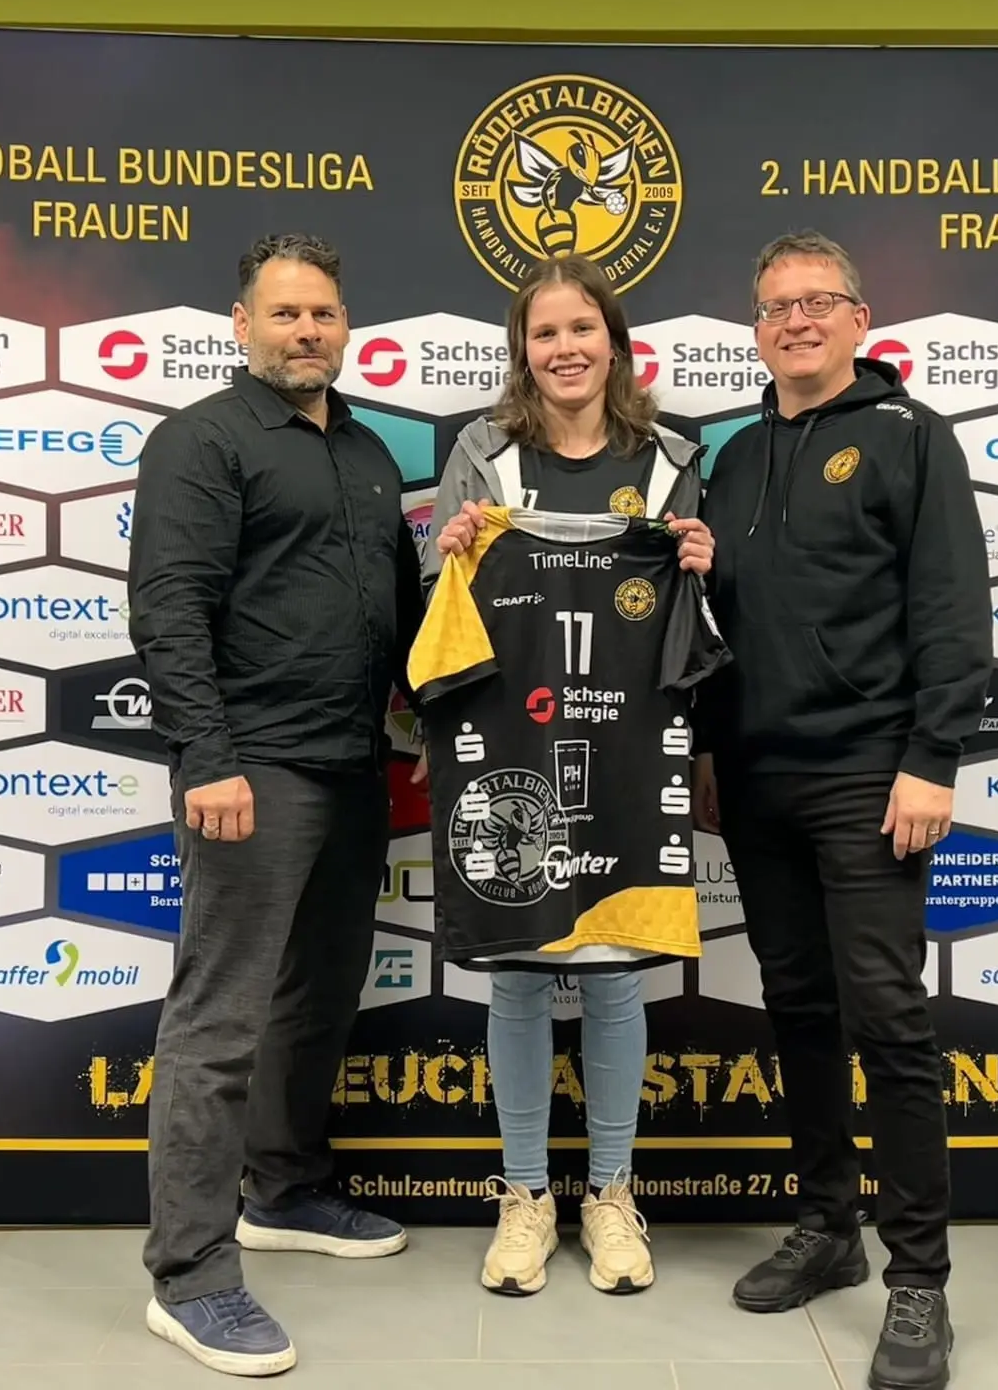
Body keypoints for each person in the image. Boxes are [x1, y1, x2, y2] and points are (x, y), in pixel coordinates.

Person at [692, 230, 992, 1390]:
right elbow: (718, 623)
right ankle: (829, 1227)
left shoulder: (911, 436)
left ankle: (919, 1283)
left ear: (861, 320)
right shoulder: (732, 457)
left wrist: (932, 757)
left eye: (818, 301)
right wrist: (710, 748)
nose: (797, 321)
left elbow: (951, 606)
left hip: (871, 774)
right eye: (776, 307)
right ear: (757, 330)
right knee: (800, 1009)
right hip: (756, 776)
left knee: (889, 1020)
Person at [128, 232, 424, 1379]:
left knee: (318, 995)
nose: (308, 331)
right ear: (242, 324)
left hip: (353, 766)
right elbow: (170, 607)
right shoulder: (202, 441)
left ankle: (285, 1189)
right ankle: (191, 1274)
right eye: (286, 313)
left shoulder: (368, 451)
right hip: (252, 769)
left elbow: (400, 617)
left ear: (346, 327)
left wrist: (436, 722)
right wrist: (208, 759)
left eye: (325, 313)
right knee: (220, 1021)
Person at [424, 252, 714, 1297]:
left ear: (615, 342)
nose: (565, 349)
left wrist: (700, 566)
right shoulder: (482, 452)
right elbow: (432, 600)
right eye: (544, 333)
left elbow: (705, 621)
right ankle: (524, 1196)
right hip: (509, 738)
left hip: (630, 740)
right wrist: (449, 549)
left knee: (615, 970)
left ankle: (610, 1193)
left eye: (582, 328)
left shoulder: (672, 460)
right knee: (515, 970)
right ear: (522, 350)